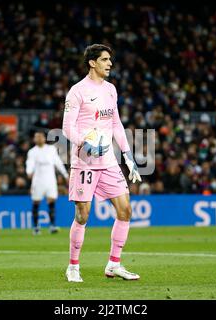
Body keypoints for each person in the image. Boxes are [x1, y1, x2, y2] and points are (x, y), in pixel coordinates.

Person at [62, 44, 142, 282]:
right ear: (92, 63)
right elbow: (68, 128)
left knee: (125, 210)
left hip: (108, 161)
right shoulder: (77, 92)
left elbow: (116, 123)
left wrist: (128, 155)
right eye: (105, 59)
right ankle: (73, 267)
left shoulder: (110, 90)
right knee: (83, 215)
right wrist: (84, 143)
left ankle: (114, 264)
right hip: (85, 161)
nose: (110, 64)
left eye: (110, 60)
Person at [25, 131, 69, 235]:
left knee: (51, 201)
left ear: (44, 138)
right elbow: (29, 163)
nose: (38, 138)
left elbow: (58, 162)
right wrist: (29, 171)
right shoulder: (32, 151)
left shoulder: (51, 149)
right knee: (36, 202)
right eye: (36, 137)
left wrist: (65, 175)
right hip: (38, 180)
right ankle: (36, 227)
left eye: (40, 136)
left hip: (50, 180)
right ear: (34, 139)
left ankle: (52, 226)